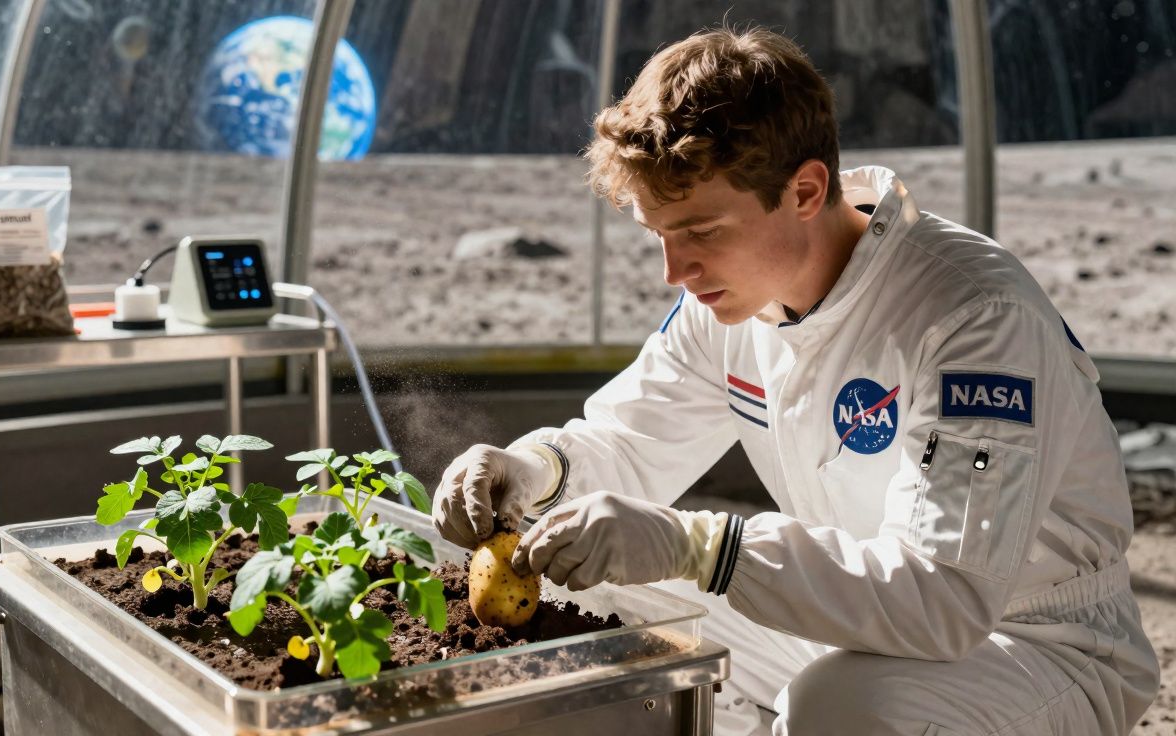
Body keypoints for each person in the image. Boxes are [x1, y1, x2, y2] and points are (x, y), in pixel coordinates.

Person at [431, 26, 1159, 736]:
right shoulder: (726, 301)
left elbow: (946, 598)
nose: (674, 272)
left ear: (806, 190)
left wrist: (698, 547)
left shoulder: (973, 318)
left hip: (1031, 644)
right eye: (659, 235)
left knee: (840, 710)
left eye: (703, 231)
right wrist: (528, 471)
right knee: (565, 568)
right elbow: (624, 442)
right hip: (854, 620)